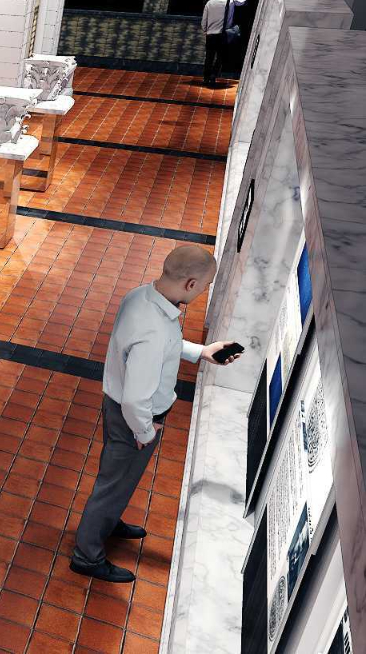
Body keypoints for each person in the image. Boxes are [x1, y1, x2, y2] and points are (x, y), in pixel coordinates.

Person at [70, 246, 240, 583]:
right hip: (134, 421)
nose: (205, 291)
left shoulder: (141, 297)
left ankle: (108, 522)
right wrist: (145, 432)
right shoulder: (153, 331)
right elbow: (136, 399)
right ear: (190, 284)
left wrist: (202, 352)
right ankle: (86, 556)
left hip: (119, 409)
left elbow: (164, 346)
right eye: (206, 285)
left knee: (118, 481)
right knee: (111, 486)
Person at [201, 0, 246, 87]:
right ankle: (213, 76)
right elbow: (243, 1)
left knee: (209, 58)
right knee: (220, 57)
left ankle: (206, 79)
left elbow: (203, 23)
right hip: (223, 35)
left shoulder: (210, 3)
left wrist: (206, 31)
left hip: (211, 35)